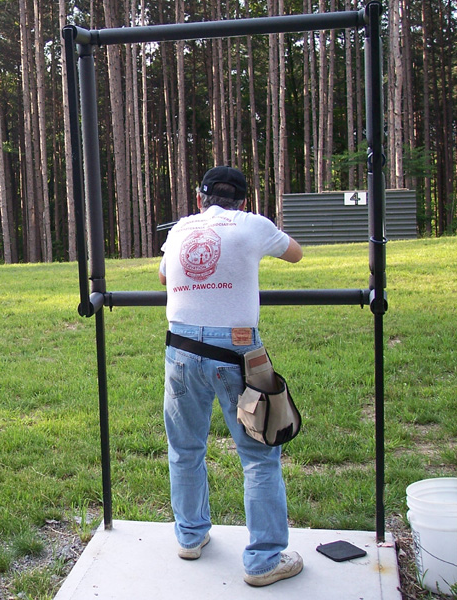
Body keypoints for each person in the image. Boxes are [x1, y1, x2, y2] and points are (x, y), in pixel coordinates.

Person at [158, 166, 304, 587]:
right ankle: (263, 561)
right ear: (243, 201)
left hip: (181, 347)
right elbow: (296, 253)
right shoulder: (253, 224)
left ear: (199, 199)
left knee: (185, 449)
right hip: (236, 351)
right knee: (259, 456)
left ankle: (190, 536)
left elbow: (164, 275)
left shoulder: (181, 228)